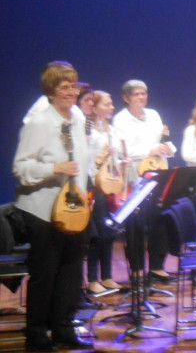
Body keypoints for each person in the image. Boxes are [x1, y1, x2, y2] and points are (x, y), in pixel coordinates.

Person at [13, 63, 93, 351]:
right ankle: (35, 336)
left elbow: (83, 164)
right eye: (64, 88)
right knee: (46, 275)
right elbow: (20, 168)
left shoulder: (78, 118)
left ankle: (63, 329)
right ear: (51, 92)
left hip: (75, 209)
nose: (71, 92)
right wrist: (54, 167)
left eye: (73, 86)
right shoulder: (39, 122)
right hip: (41, 209)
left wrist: (86, 195)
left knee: (71, 273)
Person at [112, 79, 174, 282]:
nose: (141, 97)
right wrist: (150, 150)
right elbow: (123, 150)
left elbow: (164, 139)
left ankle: (157, 266)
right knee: (135, 224)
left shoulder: (154, 115)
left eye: (144, 93)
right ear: (126, 98)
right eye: (137, 94)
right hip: (135, 177)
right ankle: (137, 269)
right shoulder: (121, 120)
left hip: (158, 173)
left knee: (160, 219)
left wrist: (168, 148)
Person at [86, 90, 125, 295]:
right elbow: (87, 160)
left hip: (111, 186)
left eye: (111, 104)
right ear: (95, 107)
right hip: (95, 186)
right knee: (97, 235)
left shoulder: (111, 129)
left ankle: (107, 276)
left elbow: (113, 159)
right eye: (106, 104)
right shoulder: (89, 128)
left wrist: (120, 162)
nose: (111, 107)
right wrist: (102, 156)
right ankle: (92, 278)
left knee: (109, 233)